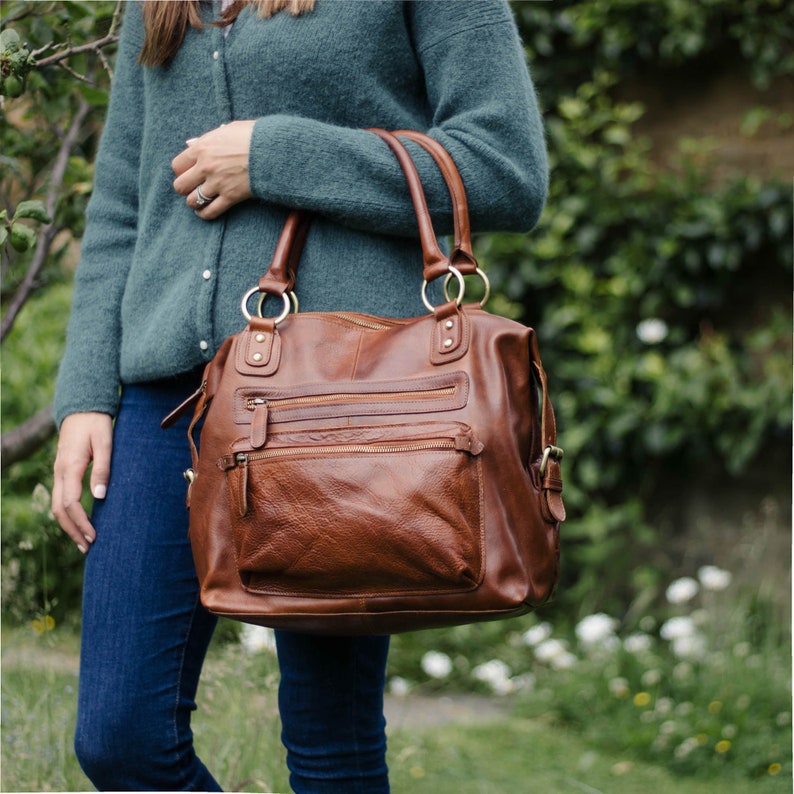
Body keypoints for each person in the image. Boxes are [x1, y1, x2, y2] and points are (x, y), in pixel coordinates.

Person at [50, 0, 549, 791]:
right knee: (120, 737)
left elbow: (507, 168)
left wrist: (279, 153)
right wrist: (84, 396)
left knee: (330, 743)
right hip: (170, 402)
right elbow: (120, 207)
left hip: (338, 404)